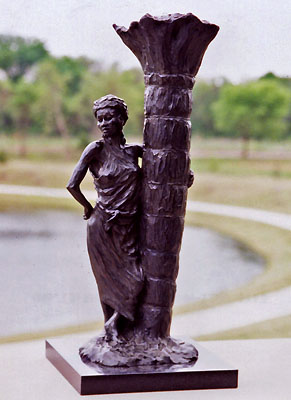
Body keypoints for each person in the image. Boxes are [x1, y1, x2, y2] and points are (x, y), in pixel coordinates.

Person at [67, 94, 144, 338]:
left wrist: (187, 175)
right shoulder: (95, 150)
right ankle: (110, 328)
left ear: (122, 119)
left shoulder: (134, 152)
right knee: (106, 280)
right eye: (99, 119)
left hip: (128, 225)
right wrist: (88, 208)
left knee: (136, 279)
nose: (103, 123)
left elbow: (164, 167)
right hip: (102, 226)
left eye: (108, 118)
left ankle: (114, 324)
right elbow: (72, 185)